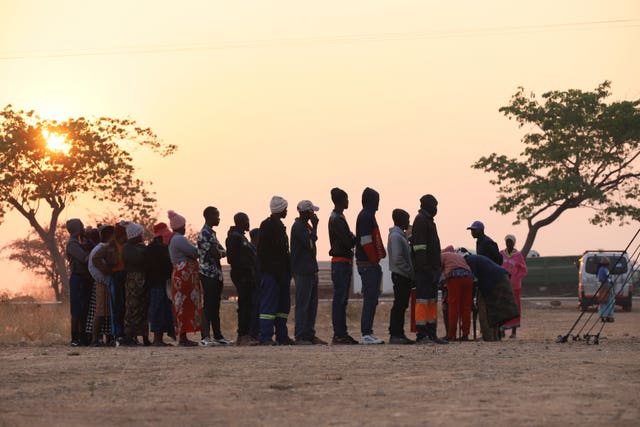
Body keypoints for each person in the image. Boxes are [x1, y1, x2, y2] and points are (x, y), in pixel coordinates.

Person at [257, 196, 294, 346]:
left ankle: (281, 335)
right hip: (271, 274)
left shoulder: (279, 226)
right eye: (285, 208)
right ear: (279, 209)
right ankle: (265, 336)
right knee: (268, 306)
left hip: (282, 274)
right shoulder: (267, 226)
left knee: (282, 306)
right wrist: (272, 271)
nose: (286, 211)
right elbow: (264, 253)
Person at [411, 195, 447, 345]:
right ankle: (422, 334)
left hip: (432, 270)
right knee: (422, 302)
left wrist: (436, 269)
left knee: (431, 302)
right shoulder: (420, 221)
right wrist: (425, 268)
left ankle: (431, 333)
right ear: (427, 205)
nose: (436, 209)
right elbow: (419, 247)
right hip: (424, 271)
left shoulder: (429, 221)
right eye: (434, 205)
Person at [291, 200, 326, 345]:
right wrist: (316, 227)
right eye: (312, 211)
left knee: (312, 305)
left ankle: (309, 334)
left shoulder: (304, 226)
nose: (314, 214)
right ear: (305, 212)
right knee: (303, 304)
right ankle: (300, 335)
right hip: (303, 270)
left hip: (310, 269)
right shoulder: (299, 227)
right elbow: (310, 244)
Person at [462, 252, 519, 342]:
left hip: (494, 282)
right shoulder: (476, 258)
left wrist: (471, 300)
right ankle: (495, 336)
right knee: (496, 310)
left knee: (484, 310)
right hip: (503, 277)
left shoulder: (469, 261)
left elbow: (474, 281)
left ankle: (489, 337)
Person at [355, 187, 386, 345]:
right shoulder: (366, 217)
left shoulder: (367, 216)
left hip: (369, 263)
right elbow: (366, 241)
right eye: (376, 201)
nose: (378, 204)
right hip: (367, 264)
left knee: (372, 299)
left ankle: (368, 332)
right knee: (370, 299)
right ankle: (366, 333)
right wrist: (374, 260)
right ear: (370, 201)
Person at [198, 206, 232, 346]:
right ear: (208, 216)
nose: (219, 218)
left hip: (216, 274)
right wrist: (220, 253)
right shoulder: (205, 233)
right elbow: (217, 253)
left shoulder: (211, 233)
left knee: (215, 305)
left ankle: (218, 336)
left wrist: (220, 252)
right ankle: (205, 336)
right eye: (216, 216)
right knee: (208, 306)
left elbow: (222, 251)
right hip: (208, 274)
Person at [328, 187, 358, 345]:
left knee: (341, 299)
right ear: (341, 200)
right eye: (346, 199)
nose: (348, 202)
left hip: (342, 262)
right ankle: (339, 334)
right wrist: (354, 236)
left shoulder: (338, 217)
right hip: (340, 263)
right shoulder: (337, 219)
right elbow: (348, 240)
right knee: (339, 300)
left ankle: (341, 333)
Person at [168, 210, 203, 347]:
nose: (184, 227)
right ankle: (183, 338)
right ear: (180, 226)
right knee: (184, 305)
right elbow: (195, 252)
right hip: (184, 277)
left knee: (181, 305)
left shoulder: (173, 239)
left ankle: (183, 336)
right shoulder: (179, 239)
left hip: (180, 275)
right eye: (184, 225)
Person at [226, 213, 259, 346]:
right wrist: (246, 267)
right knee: (245, 305)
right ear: (240, 222)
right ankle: (243, 335)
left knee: (247, 305)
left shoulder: (241, 236)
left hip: (247, 275)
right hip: (242, 275)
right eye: (246, 220)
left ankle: (245, 334)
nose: (248, 223)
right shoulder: (234, 237)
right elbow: (231, 258)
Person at [387, 209, 415, 344]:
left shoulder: (400, 236)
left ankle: (398, 333)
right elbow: (398, 258)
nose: (408, 223)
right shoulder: (396, 237)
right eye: (407, 220)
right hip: (401, 275)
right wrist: (410, 272)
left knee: (401, 305)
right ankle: (396, 334)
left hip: (402, 274)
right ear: (401, 220)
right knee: (399, 305)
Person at [145, 222, 175, 346]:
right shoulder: (160, 249)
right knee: (159, 310)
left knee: (159, 310)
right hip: (159, 283)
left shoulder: (150, 248)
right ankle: (158, 339)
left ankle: (159, 338)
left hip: (155, 283)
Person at [121, 221, 151, 346]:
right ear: (135, 235)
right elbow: (139, 260)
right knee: (133, 308)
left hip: (139, 279)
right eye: (140, 234)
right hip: (134, 280)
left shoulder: (133, 247)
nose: (142, 236)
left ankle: (144, 337)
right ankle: (130, 336)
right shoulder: (128, 248)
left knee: (143, 308)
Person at [88, 225, 116, 346]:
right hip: (103, 283)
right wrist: (108, 271)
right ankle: (95, 339)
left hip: (102, 282)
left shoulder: (100, 247)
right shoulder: (104, 248)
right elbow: (96, 259)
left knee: (107, 312)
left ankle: (107, 339)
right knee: (101, 312)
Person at [66, 218, 92, 346]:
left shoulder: (80, 242)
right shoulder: (72, 244)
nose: (82, 228)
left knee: (84, 310)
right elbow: (84, 258)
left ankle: (83, 337)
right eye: (80, 226)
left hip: (84, 278)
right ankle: (75, 338)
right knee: (76, 310)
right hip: (77, 278)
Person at [440, 246, 474, 341]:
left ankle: (451, 335)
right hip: (468, 277)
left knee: (453, 306)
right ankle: (465, 335)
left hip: (454, 278)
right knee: (466, 307)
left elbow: (439, 271)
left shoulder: (441, 256)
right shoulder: (457, 256)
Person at [500, 235, 528, 338]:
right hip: (503, 285)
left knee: (514, 307)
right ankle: (502, 329)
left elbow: (524, 270)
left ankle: (513, 331)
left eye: (510, 242)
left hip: (515, 287)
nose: (508, 244)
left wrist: (516, 277)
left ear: (514, 243)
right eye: (507, 242)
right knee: (503, 307)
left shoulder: (518, 255)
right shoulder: (501, 254)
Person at [597, 257, 615, 323]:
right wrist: (608, 281)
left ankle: (607, 316)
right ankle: (605, 316)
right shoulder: (602, 270)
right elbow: (601, 278)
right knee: (605, 301)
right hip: (605, 287)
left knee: (608, 302)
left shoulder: (604, 269)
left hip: (607, 286)